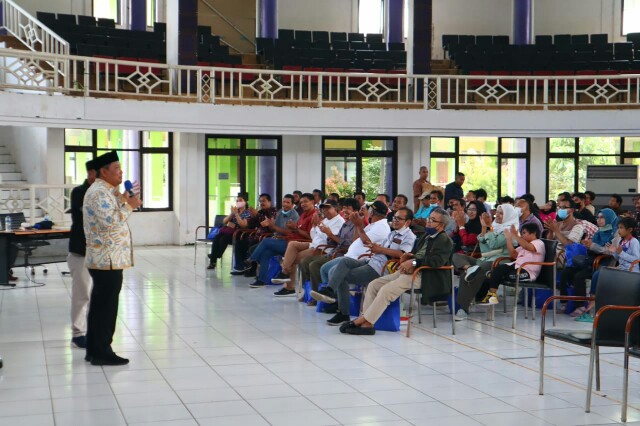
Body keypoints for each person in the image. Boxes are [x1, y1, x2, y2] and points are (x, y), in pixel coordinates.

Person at [339, 208, 453, 335]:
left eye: (432, 220)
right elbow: (418, 255)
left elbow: (436, 261)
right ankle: (367, 323)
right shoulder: (426, 236)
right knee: (374, 285)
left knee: (386, 290)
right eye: (429, 218)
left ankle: (363, 321)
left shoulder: (445, 240)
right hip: (412, 271)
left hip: (426, 275)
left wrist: (414, 262)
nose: (428, 222)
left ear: (441, 225)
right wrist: (408, 257)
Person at [83, 151, 142, 366]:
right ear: (104, 171)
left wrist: (126, 199)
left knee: (101, 305)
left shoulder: (108, 191)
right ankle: (102, 351)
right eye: (116, 168)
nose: (121, 172)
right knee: (106, 307)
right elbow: (110, 222)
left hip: (108, 258)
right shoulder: (99, 192)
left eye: (121, 168)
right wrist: (130, 206)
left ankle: (94, 349)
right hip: (106, 259)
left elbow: (116, 212)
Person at [311, 207, 415, 326]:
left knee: (342, 277)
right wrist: (373, 245)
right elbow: (376, 246)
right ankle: (330, 290)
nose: (395, 220)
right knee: (344, 261)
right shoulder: (392, 233)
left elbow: (403, 254)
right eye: (395, 217)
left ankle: (343, 313)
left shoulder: (409, 236)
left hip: (381, 267)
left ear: (407, 222)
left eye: (399, 219)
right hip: (371, 260)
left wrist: (380, 249)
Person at [453, 204, 520, 320]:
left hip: (498, 262)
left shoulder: (510, 229)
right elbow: (485, 249)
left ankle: (463, 309)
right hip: (485, 259)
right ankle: (469, 267)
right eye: (497, 212)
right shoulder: (496, 227)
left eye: (501, 213)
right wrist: (485, 228)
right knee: (456, 256)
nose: (497, 215)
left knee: (469, 274)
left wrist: (488, 227)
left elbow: (494, 244)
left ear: (508, 215)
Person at [271, 199, 345, 293]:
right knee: (292, 244)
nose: (325, 211)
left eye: (328, 208)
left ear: (336, 208)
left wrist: (319, 226)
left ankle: (288, 282)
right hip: (313, 244)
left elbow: (329, 240)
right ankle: (285, 275)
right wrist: (314, 226)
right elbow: (313, 236)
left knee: (292, 259)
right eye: (324, 209)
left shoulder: (339, 222)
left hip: (322, 248)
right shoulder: (325, 220)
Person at [578, 217, 640, 322]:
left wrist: (621, 253)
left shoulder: (634, 242)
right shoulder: (622, 241)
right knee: (600, 273)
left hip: (631, 272)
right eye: (618, 228)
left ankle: (594, 306)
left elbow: (636, 259)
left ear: (629, 230)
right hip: (622, 269)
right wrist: (613, 252)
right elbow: (618, 258)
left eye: (621, 228)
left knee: (601, 275)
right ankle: (594, 305)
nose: (619, 230)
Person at [559, 208, 618, 318]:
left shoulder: (614, 234)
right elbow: (593, 247)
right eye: (598, 217)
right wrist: (586, 245)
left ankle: (580, 305)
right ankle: (564, 302)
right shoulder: (598, 232)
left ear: (609, 218)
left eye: (602, 217)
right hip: (591, 260)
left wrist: (592, 246)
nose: (599, 220)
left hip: (603, 263)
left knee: (579, 276)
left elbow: (610, 252)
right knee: (566, 271)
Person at [298, 198, 359, 299]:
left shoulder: (353, 225)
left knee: (314, 265)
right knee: (305, 261)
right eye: (344, 208)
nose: (345, 211)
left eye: (348, 208)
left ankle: (319, 295)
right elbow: (332, 241)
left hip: (340, 254)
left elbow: (349, 245)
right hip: (332, 250)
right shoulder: (345, 224)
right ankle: (309, 292)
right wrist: (324, 232)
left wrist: (329, 234)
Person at [67, 159, 97, 349]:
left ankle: (93, 330)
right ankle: (78, 333)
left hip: (99, 252)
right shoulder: (79, 192)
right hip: (80, 252)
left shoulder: (104, 192)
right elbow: (90, 213)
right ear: (91, 173)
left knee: (97, 293)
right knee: (82, 293)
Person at [481, 222, 545, 305]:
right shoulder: (523, 245)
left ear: (533, 233)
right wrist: (508, 239)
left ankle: (493, 277)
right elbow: (513, 254)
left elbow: (528, 247)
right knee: (498, 269)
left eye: (524, 233)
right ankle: (492, 296)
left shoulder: (538, 243)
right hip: (516, 266)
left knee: (502, 276)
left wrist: (516, 235)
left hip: (528, 272)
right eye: (521, 233)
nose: (522, 235)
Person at [231, 193, 278, 276]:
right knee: (240, 243)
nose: (261, 203)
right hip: (256, 236)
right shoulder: (260, 212)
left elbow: (270, 225)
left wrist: (257, 214)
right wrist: (243, 216)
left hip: (267, 237)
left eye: (264, 201)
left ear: (269, 202)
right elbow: (248, 225)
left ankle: (252, 269)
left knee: (252, 244)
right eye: (260, 201)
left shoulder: (273, 211)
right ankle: (240, 267)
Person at [207, 192, 252, 270]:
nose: (238, 202)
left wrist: (237, 215)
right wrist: (232, 214)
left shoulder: (247, 213)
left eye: (240, 200)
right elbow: (224, 221)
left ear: (245, 202)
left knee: (224, 238)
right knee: (217, 237)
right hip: (230, 232)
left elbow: (243, 225)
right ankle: (213, 262)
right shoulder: (235, 211)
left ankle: (215, 255)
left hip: (239, 234)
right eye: (237, 201)